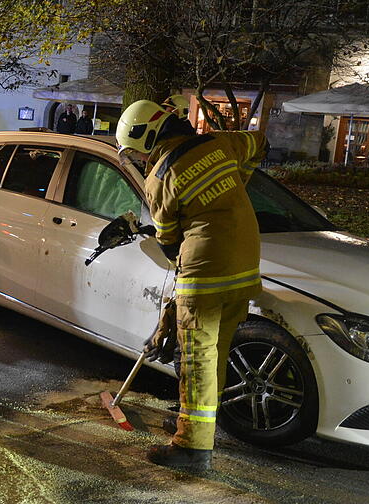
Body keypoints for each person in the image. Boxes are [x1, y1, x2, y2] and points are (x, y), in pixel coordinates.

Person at [116, 99, 268, 471]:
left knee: (196, 360)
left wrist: (185, 252)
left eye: (136, 151)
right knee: (216, 353)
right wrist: (237, 185)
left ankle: (191, 449)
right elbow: (260, 143)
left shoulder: (161, 177)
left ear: (148, 138)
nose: (139, 159)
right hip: (246, 264)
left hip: (206, 272)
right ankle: (198, 425)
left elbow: (168, 241)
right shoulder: (220, 144)